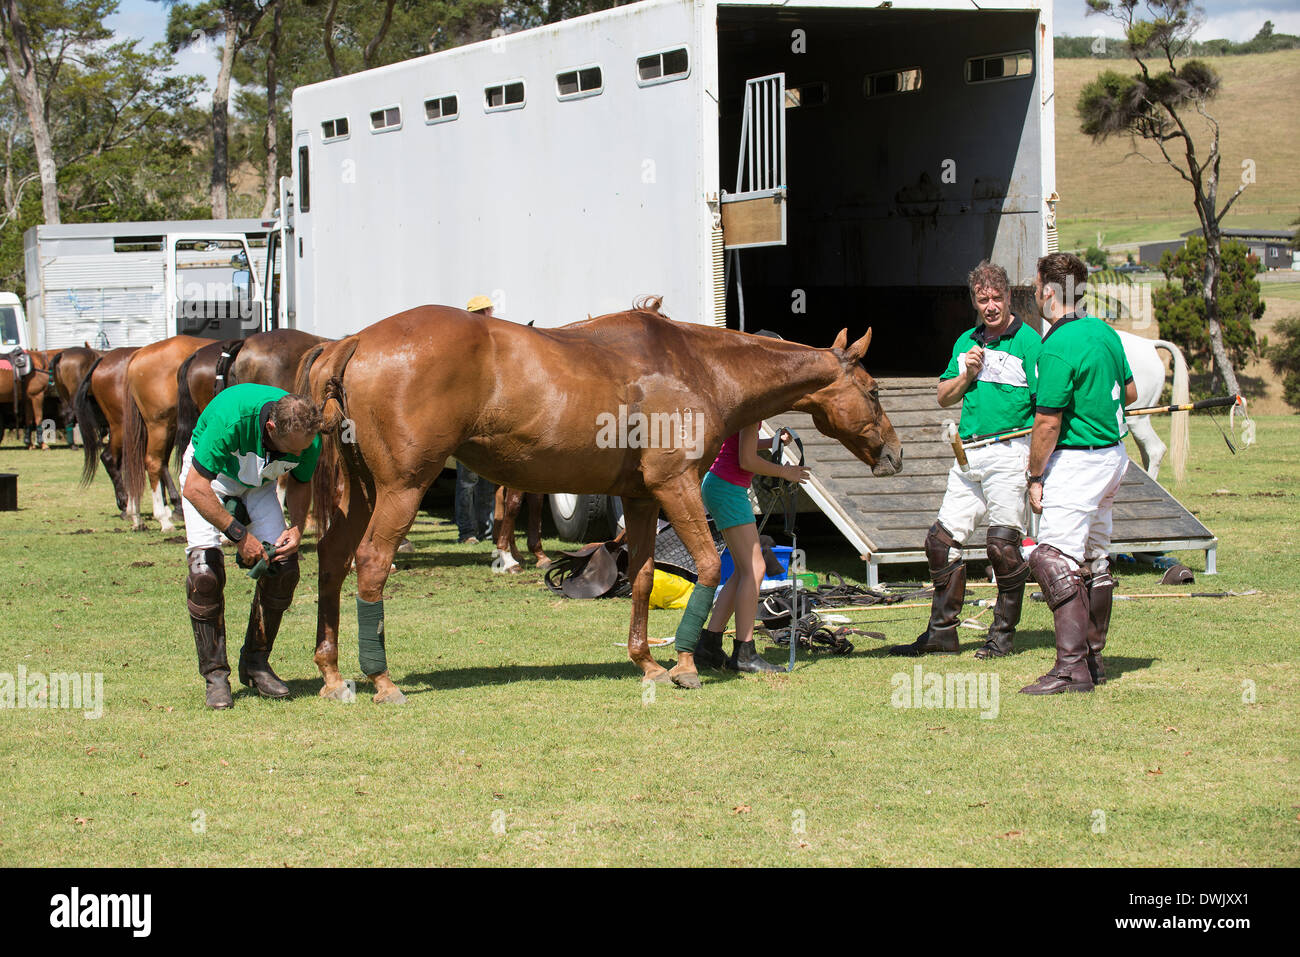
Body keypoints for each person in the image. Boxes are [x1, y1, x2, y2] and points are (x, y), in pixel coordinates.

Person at [891, 260, 1041, 659]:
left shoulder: (1029, 344)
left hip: (1011, 454)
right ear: (974, 301)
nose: (990, 305)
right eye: (982, 299)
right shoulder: (965, 343)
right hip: (968, 454)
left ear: (1009, 296)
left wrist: (1039, 470)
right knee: (940, 543)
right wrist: (967, 376)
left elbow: (1046, 409)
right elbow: (943, 396)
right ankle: (943, 635)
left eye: (996, 298)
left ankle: (1002, 637)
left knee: (1003, 548)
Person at [1022, 252, 1136, 695]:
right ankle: (1092, 659)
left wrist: (1035, 475)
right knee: (1094, 559)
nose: (1034, 294)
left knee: (1054, 558)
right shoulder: (1104, 332)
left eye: (1036, 287)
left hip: (1078, 462)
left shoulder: (1056, 345)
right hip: (1112, 457)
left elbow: (1047, 422)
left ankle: (1070, 669)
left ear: (1049, 292)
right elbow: (1129, 390)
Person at [179, 383, 322, 709]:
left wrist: (297, 526)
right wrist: (240, 536)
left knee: (284, 567)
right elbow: (195, 488)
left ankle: (256, 663)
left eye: (305, 448)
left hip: (257, 485)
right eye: (294, 449)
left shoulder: (307, 436)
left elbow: (301, 480)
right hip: (209, 480)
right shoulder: (231, 418)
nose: (300, 455)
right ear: (271, 427)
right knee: (205, 575)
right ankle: (215, 676)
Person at [669, 424, 810, 689]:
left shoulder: (749, 408)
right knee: (755, 568)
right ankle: (745, 653)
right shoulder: (753, 408)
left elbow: (741, 446)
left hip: (722, 486)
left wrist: (770, 441)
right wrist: (785, 472)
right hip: (727, 489)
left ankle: (709, 645)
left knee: (743, 570)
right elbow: (746, 460)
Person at [455, 294, 497, 543]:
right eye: (480, 312)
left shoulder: (491, 342)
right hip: (470, 422)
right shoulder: (466, 345)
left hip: (489, 422)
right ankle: (468, 532)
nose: (485, 316)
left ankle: (485, 531)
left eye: (486, 311)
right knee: (469, 481)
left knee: (486, 481)